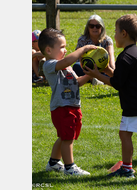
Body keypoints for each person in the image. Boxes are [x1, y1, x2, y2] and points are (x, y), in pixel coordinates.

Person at [83, 14, 137, 178]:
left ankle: (127, 169)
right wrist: (105, 70)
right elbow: (122, 76)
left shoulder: (125, 57)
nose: (115, 35)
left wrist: (96, 74)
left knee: (124, 134)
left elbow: (117, 83)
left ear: (124, 33)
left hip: (135, 103)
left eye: (116, 31)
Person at [38, 28, 97, 176]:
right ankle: (70, 168)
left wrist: (91, 74)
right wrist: (82, 49)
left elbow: (77, 82)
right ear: (49, 50)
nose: (65, 50)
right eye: (62, 47)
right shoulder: (49, 64)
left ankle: (53, 163)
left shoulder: (67, 66)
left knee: (65, 136)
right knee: (67, 138)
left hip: (73, 106)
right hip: (62, 108)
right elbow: (67, 60)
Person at [72, 14, 115, 85]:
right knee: (76, 66)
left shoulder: (107, 40)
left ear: (102, 27)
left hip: (103, 68)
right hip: (87, 68)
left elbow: (111, 59)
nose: (94, 28)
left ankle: (96, 79)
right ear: (88, 28)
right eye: (91, 26)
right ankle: (96, 79)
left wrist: (113, 71)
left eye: (97, 26)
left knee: (117, 67)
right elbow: (79, 59)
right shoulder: (82, 40)